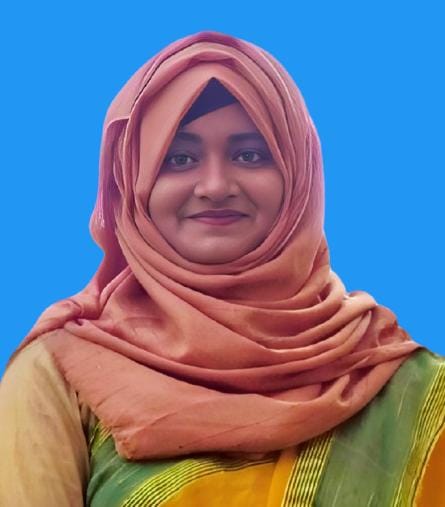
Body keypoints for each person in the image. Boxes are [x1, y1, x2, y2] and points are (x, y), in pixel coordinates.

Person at [1, 31, 444, 507]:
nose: (214, 185)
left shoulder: (404, 382)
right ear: (131, 181)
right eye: (179, 158)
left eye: (249, 154)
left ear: (299, 176)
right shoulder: (63, 374)